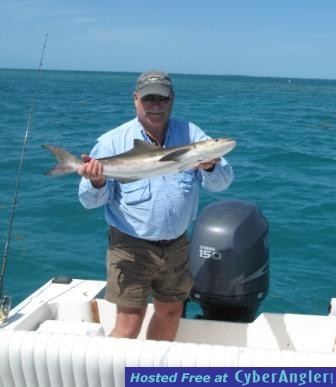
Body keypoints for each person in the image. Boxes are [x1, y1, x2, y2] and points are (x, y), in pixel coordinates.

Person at [78, 70, 234, 341]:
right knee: (130, 321)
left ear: (172, 100)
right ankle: (116, 379)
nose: (156, 106)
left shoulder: (191, 134)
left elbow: (220, 184)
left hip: (176, 245)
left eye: (162, 99)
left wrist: (212, 163)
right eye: (149, 99)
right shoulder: (112, 141)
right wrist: (98, 182)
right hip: (130, 245)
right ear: (135, 100)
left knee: (171, 313)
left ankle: (151, 376)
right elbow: (89, 202)